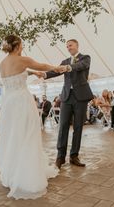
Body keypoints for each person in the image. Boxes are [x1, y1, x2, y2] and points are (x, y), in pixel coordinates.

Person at [0, 35, 59, 199]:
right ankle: (27, 176)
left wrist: (33, 73)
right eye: (22, 44)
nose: (23, 47)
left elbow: (17, 74)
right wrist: (58, 68)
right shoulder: (23, 60)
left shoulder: (3, 63)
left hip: (8, 103)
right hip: (22, 102)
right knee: (28, 134)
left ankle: (13, 172)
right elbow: (44, 65)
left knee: (13, 136)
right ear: (17, 45)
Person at [37, 39, 94, 169]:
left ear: (77, 45)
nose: (69, 48)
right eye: (67, 46)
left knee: (78, 127)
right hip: (66, 97)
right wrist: (44, 74)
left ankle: (74, 156)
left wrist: (68, 68)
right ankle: (60, 157)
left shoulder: (85, 58)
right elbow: (56, 71)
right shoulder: (64, 61)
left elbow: (81, 66)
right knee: (62, 126)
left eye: (71, 45)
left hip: (81, 97)